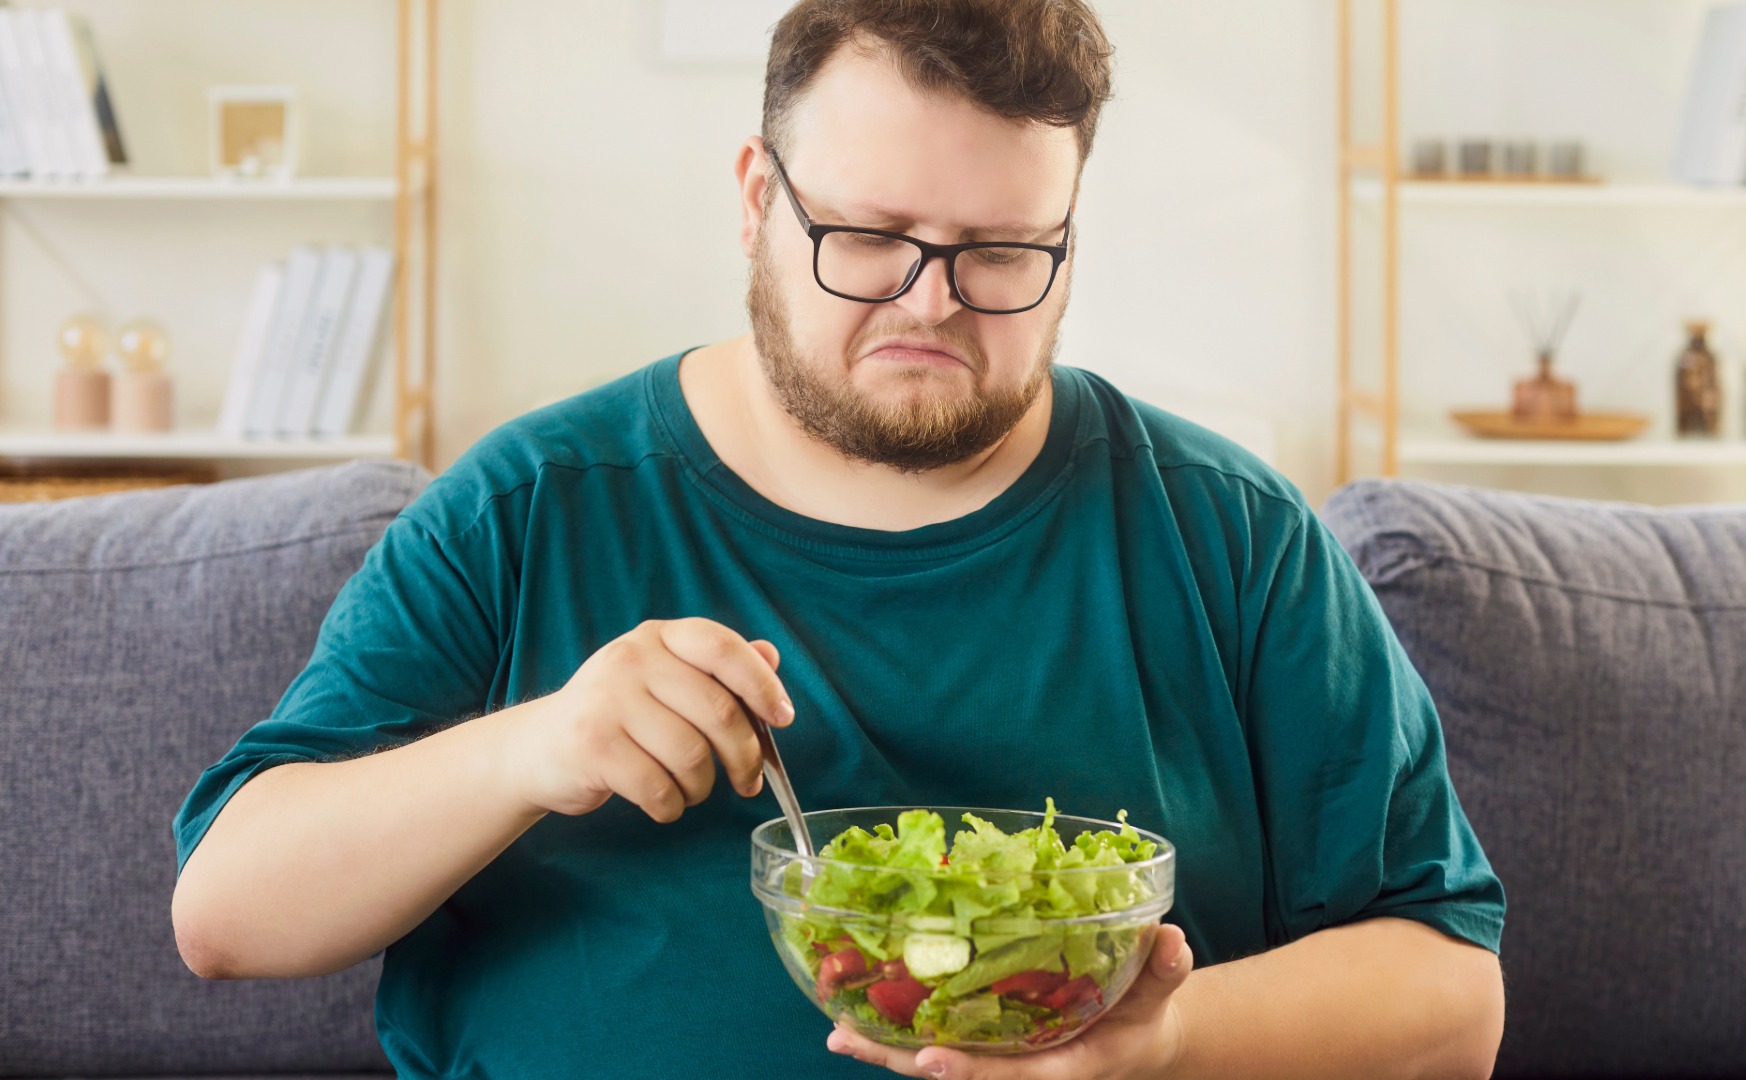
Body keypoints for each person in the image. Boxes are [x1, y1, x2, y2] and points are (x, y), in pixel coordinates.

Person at [171, 1, 1507, 1076]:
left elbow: (1452, 998)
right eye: (868, 237)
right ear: (757, 199)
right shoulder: (532, 504)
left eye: (999, 254)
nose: (930, 304)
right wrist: (529, 750)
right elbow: (226, 914)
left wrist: (1168, 1045)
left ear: (1067, 242)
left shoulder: (1232, 535)